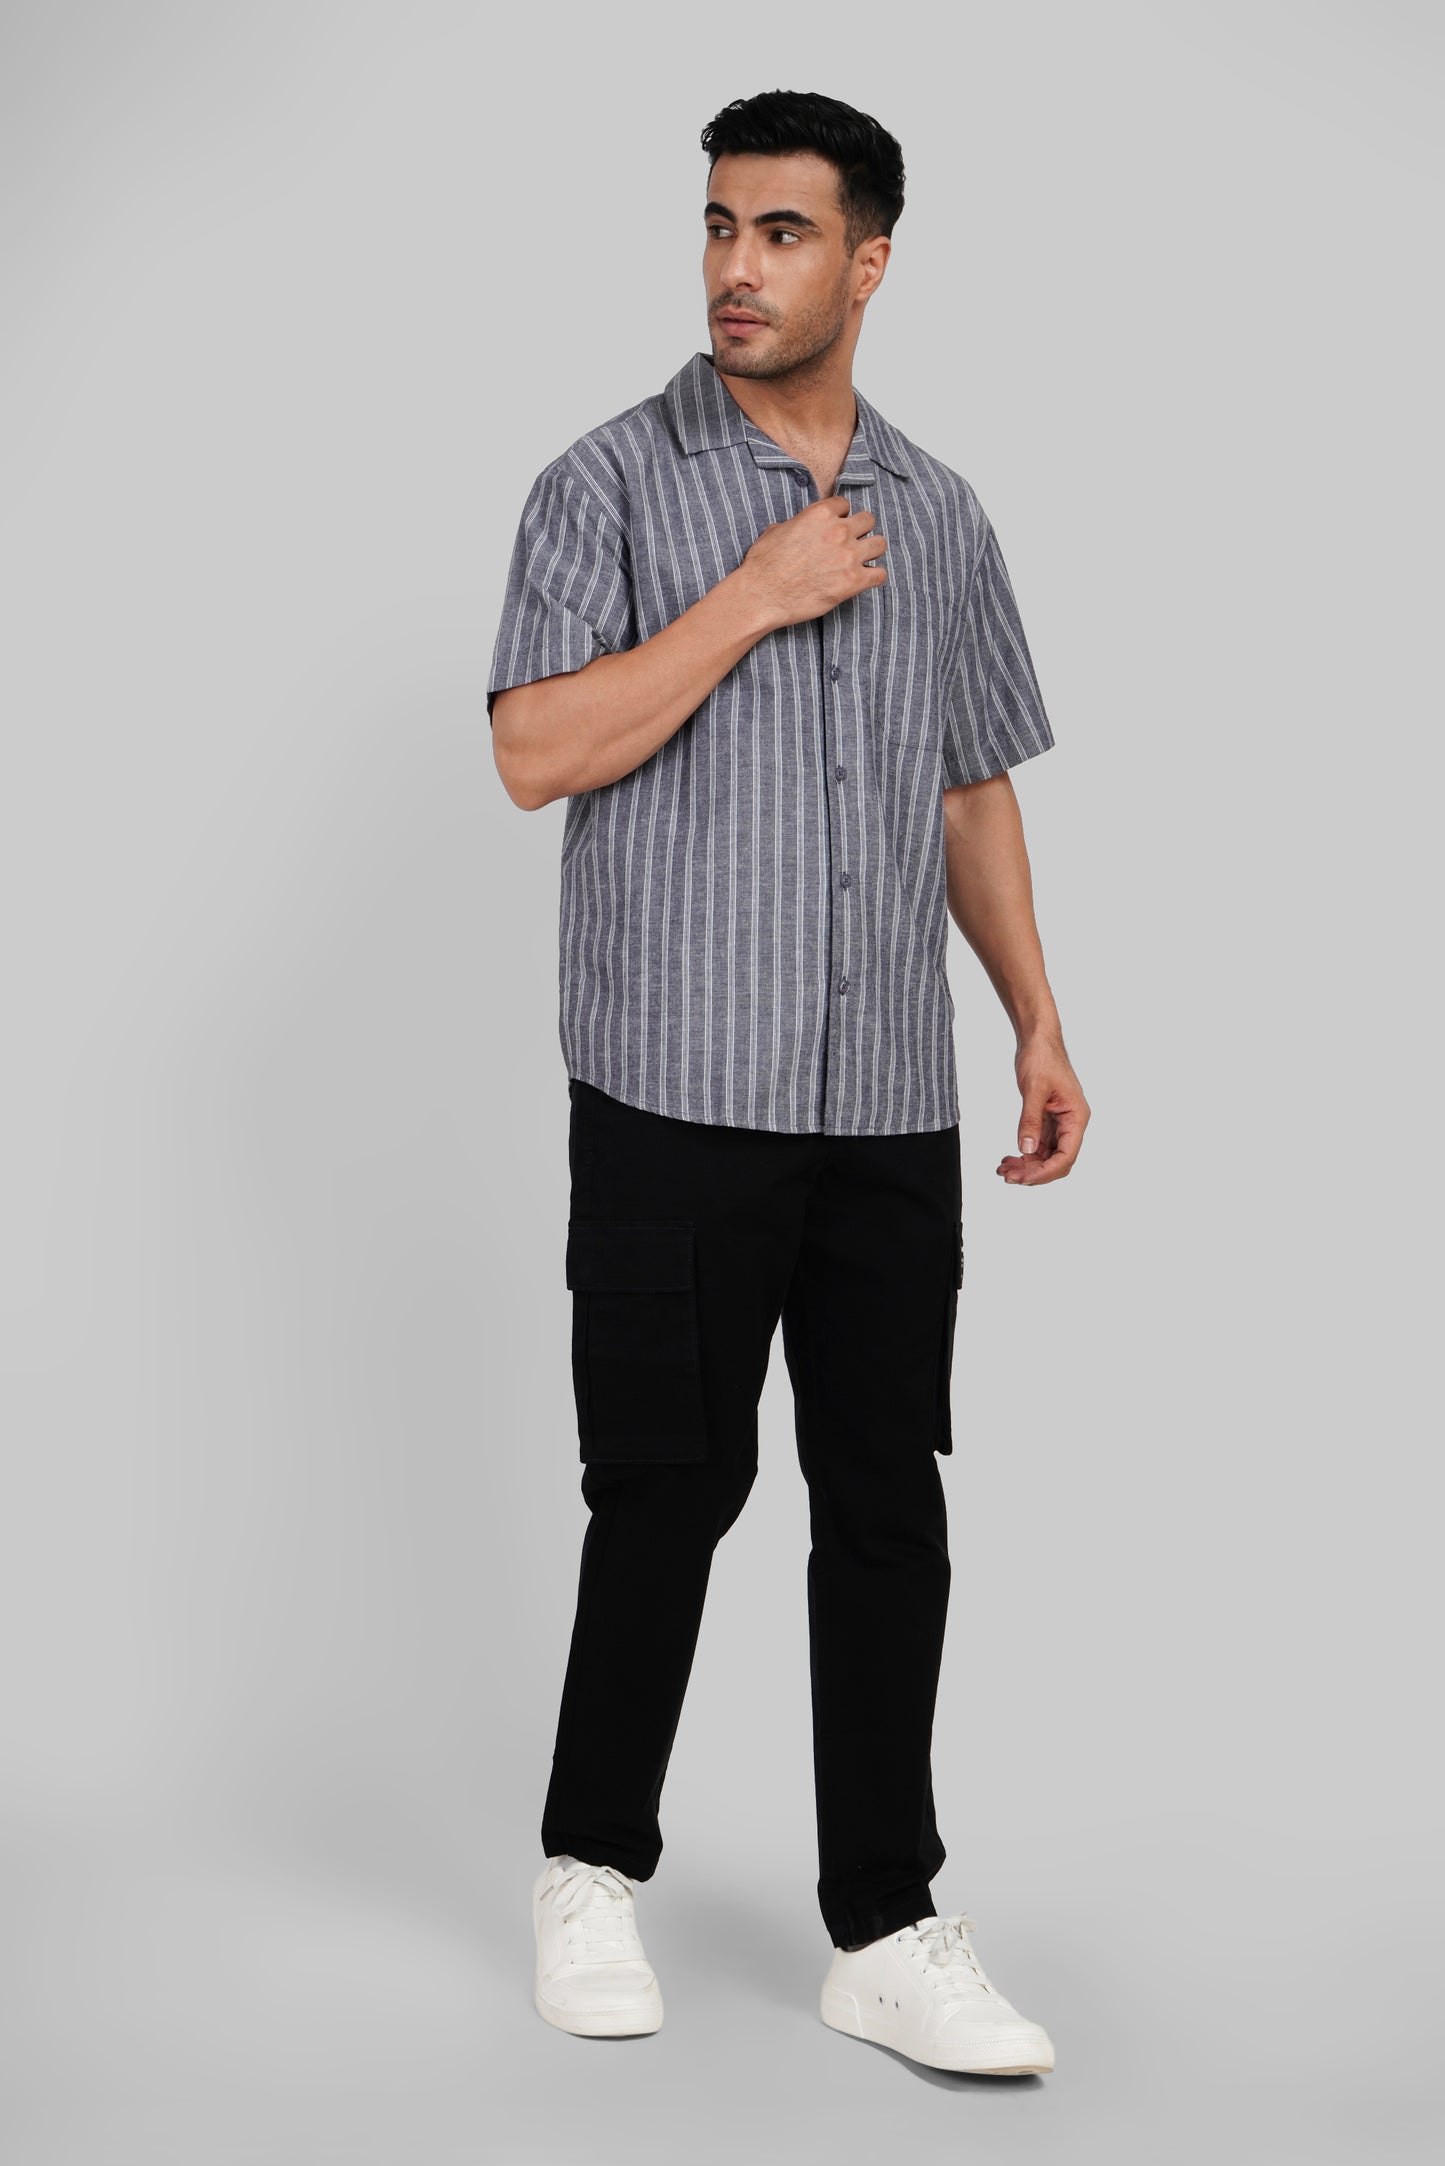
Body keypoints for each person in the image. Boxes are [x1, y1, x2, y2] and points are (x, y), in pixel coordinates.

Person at [487, 88, 1089, 2077]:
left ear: (871, 260)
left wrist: (1034, 1016)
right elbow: (534, 751)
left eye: (783, 232)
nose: (736, 268)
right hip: (676, 1087)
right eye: (719, 226)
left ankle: (886, 1924)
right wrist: (752, 593)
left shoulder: (942, 512)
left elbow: (972, 782)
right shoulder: (605, 484)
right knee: (667, 1488)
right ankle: (591, 1864)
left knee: (889, 1500)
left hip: (886, 1095)